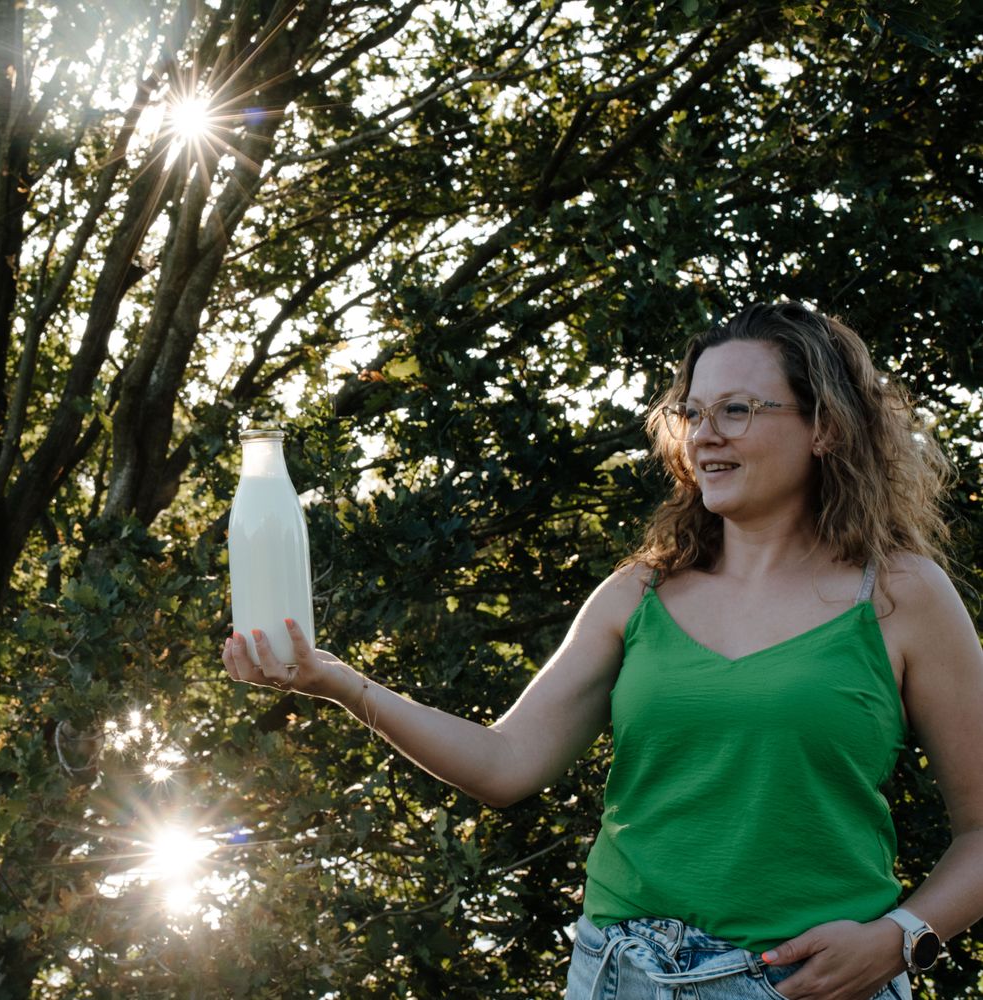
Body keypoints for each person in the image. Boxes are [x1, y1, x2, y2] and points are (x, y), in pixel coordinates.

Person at [221, 302, 983, 1000]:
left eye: (738, 409)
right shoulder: (638, 594)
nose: (705, 432)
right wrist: (342, 684)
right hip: (624, 975)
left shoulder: (900, 597)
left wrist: (900, 939)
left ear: (825, 428)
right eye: (692, 411)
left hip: (812, 986)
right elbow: (504, 765)